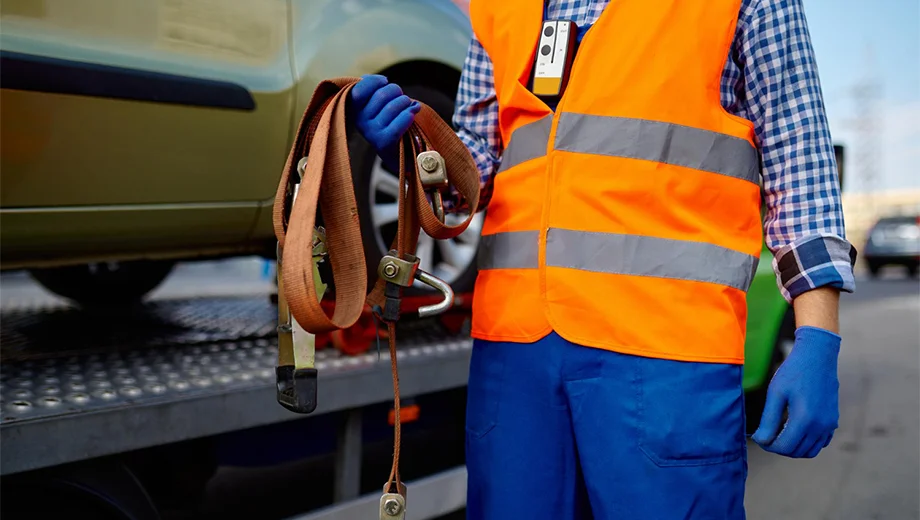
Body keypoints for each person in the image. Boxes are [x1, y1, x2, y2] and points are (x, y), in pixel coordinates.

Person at [348, 0, 856, 517]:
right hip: (515, 353)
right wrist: (416, 157)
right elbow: (476, 163)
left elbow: (800, 160)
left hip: (664, 353)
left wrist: (818, 334)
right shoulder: (500, 8)